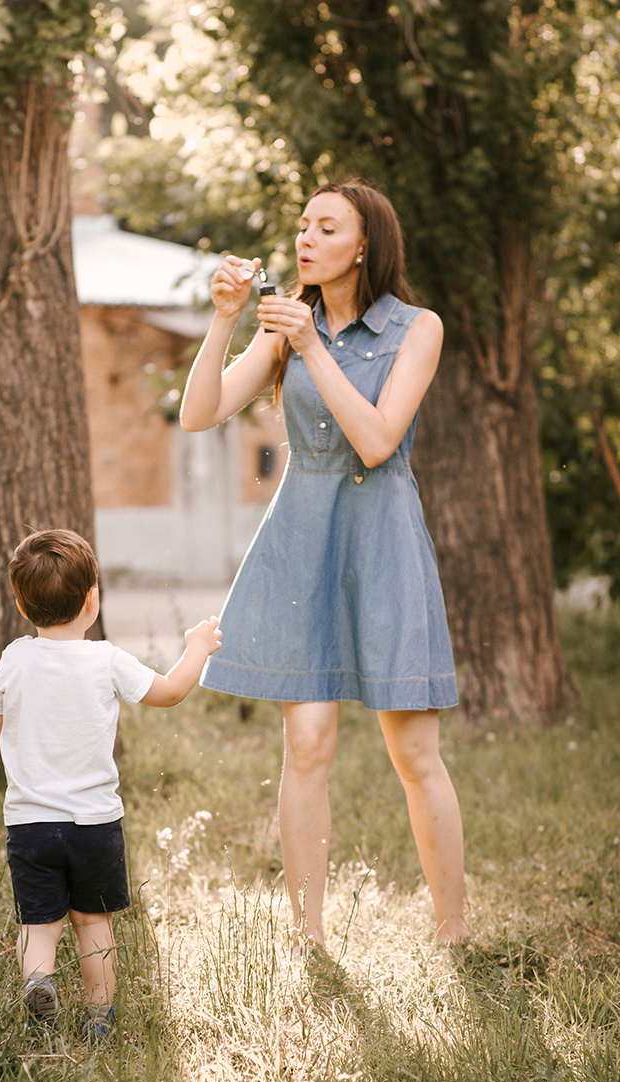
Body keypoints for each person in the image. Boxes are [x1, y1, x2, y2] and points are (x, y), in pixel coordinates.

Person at [180, 181, 469, 956]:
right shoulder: (283, 329)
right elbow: (200, 412)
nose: (305, 237)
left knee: (413, 751)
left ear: (364, 244)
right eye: (302, 224)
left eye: (325, 226)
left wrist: (309, 345)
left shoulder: (418, 328)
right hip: (302, 539)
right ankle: (307, 940)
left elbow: (377, 441)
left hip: (382, 539)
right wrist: (224, 321)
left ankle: (453, 934)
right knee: (305, 744)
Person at [0, 529, 221, 1042]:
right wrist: (197, 647)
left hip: (30, 825)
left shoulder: (13, 659)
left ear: (24, 607)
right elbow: (171, 692)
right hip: (93, 824)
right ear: (92, 599)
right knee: (93, 924)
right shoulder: (106, 659)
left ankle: (39, 983)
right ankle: (99, 1022)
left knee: (38, 925)